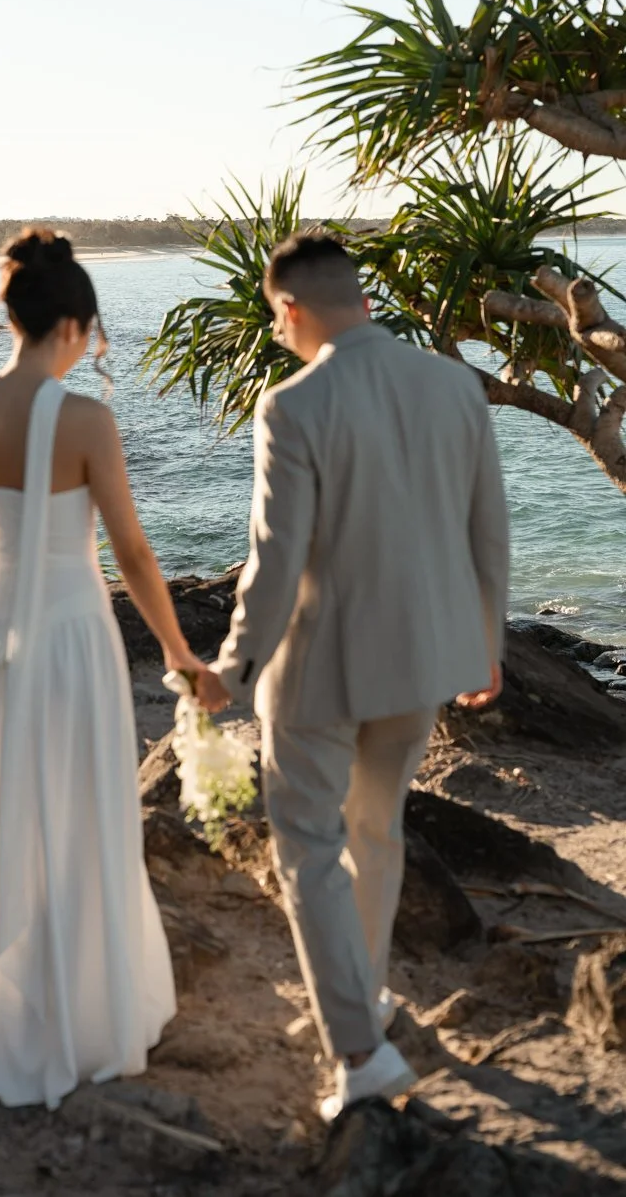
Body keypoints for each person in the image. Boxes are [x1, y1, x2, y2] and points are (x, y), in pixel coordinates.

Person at [196, 232, 509, 1120]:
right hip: (425, 663)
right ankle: (364, 996)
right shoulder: (455, 383)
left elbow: (276, 555)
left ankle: (361, 1054)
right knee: (378, 830)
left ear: (289, 311)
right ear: (362, 299)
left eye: (275, 319)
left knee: (309, 852)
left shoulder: (293, 404)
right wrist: (487, 644)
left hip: (321, 669)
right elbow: (489, 528)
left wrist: (232, 666)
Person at [0, 227, 198, 1109]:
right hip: (75, 633)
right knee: (85, 809)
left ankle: (20, 1011)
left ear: (13, 314)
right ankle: (91, 1012)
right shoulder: (85, 419)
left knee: (17, 811)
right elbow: (131, 550)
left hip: (0, 629)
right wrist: (177, 649)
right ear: (75, 325)